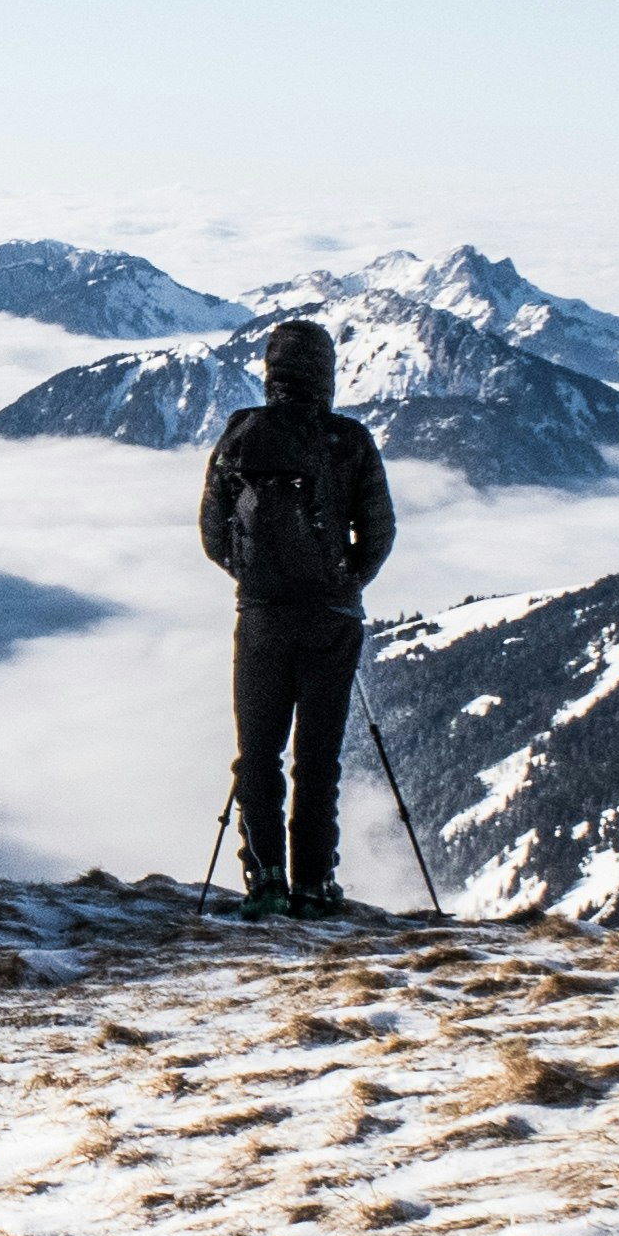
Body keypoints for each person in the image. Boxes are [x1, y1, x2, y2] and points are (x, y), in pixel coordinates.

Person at [196, 317, 395, 917]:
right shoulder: (349, 440)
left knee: (257, 755)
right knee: (317, 759)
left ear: (270, 369)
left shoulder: (241, 433)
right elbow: (379, 531)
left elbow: (212, 532)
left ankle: (265, 881)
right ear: (326, 373)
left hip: (259, 619)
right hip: (332, 620)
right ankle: (313, 883)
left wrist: (253, 579)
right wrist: (344, 580)